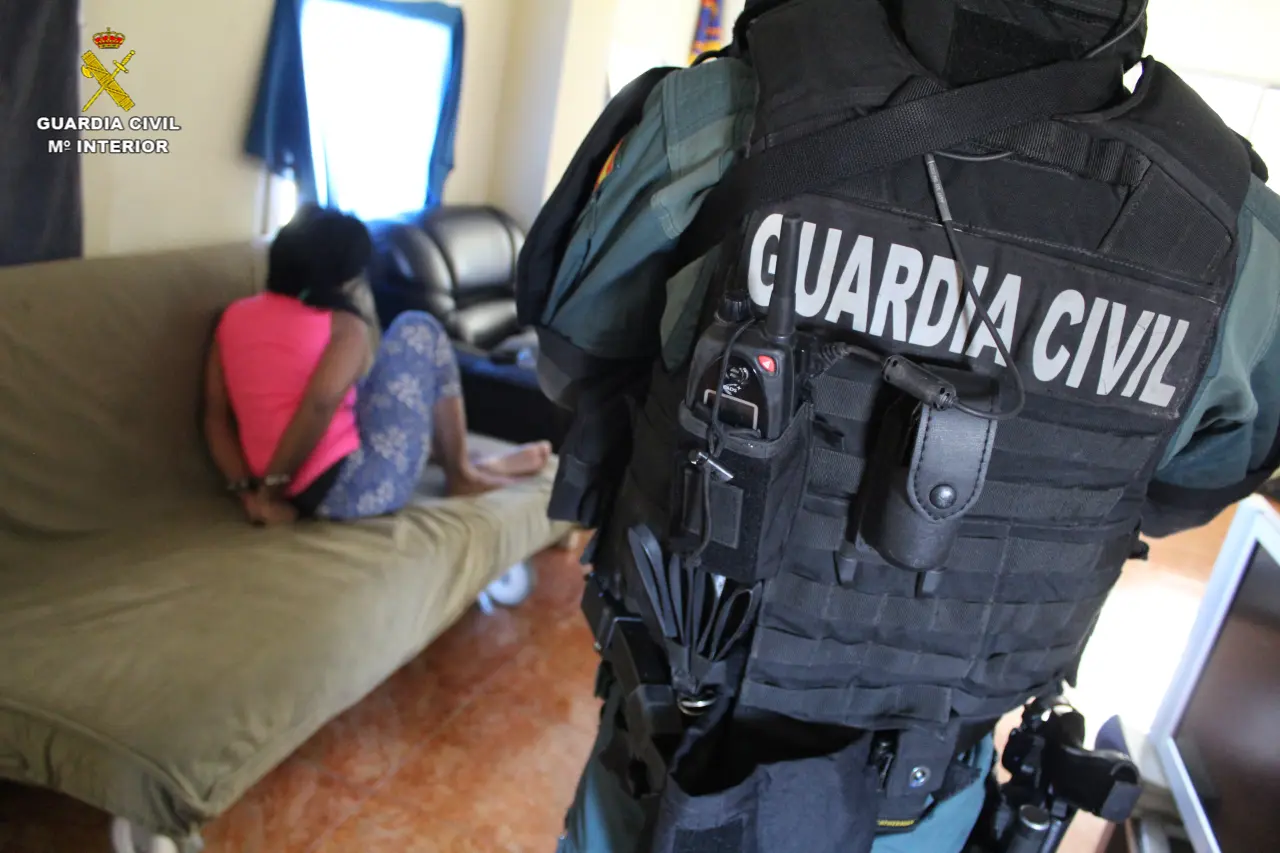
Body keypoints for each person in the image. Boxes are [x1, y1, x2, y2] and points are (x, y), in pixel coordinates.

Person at [524, 1, 1280, 852]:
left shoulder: (732, 109)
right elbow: (1183, 492)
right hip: (920, 795)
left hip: (667, 755)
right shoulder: (1236, 233)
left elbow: (578, 357)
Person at [203, 204, 551, 526]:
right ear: (341, 278)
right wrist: (271, 493)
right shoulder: (344, 326)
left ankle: (472, 462)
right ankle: (462, 474)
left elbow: (214, 417)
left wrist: (249, 493)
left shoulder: (231, 317)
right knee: (420, 328)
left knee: (363, 389)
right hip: (352, 488)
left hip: (290, 481)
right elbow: (318, 405)